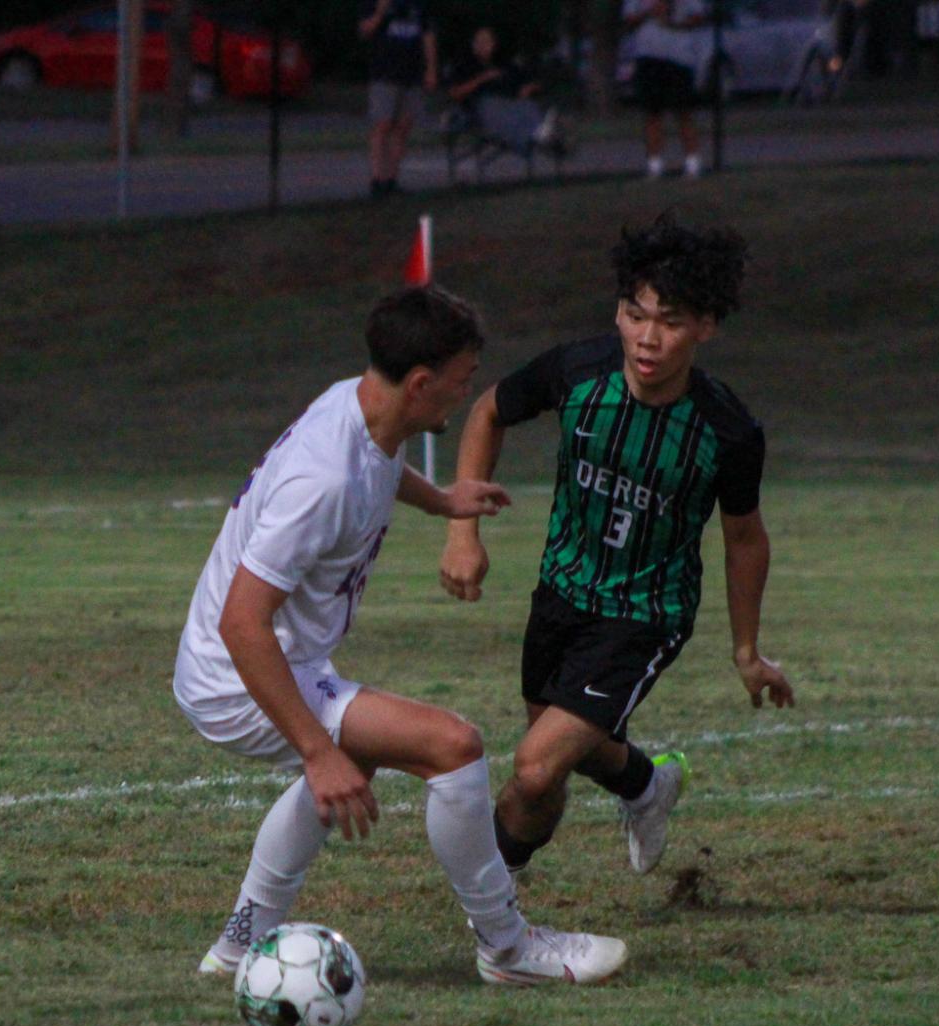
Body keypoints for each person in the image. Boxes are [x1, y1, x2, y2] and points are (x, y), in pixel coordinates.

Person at [175, 287, 626, 988]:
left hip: (261, 660)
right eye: (462, 378)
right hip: (237, 675)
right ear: (420, 384)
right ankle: (507, 949)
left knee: (361, 755)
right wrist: (316, 749)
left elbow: (378, 464)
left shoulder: (354, 403)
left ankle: (239, 945)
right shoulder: (319, 482)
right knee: (453, 747)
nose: (466, 391)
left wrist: (442, 500)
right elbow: (242, 623)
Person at [438, 216, 794, 885]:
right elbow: (488, 411)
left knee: (535, 768)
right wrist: (463, 530)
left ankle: (490, 902)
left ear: (705, 328)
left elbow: (744, 536)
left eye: (670, 321)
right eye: (635, 315)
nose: (647, 338)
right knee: (566, 760)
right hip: (561, 591)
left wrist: (746, 652)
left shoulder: (726, 430)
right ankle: (646, 787)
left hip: (644, 613)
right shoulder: (577, 372)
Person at [621, 0, 712, 177]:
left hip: (680, 58)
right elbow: (629, 20)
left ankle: (692, 163)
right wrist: (649, 12)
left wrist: (675, 23)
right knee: (652, 112)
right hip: (649, 56)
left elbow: (698, 17)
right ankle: (655, 164)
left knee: (684, 112)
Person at [357, 0, 438, 198]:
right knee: (382, 125)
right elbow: (365, 31)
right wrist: (380, 13)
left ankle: (391, 179)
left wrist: (431, 69)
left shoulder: (418, 6)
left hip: (411, 74)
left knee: (402, 128)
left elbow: (428, 37)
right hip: (385, 73)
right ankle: (377, 180)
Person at [443, 26, 560, 156]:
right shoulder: (465, 64)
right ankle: (538, 136)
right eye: (479, 41)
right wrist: (482, 78)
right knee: (496, 109)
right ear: (473, 45)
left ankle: (538, 135)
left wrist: (529, 87)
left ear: (493, 44)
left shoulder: (503, 62)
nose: (483, 45)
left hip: (510, 103)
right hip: (481, 108)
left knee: (528, 106)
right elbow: (455, 93)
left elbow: (531, 81)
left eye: (487, 41)